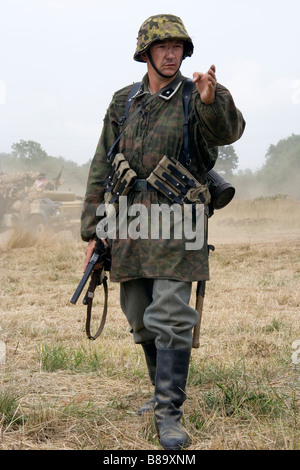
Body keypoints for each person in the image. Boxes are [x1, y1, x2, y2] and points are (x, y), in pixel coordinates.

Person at [81, 14, 245, 450]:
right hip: (130, 221)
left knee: (170, 313)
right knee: (138, 314)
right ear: (146, 53)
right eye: (162, 47)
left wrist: (213, 101)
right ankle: (158, 394)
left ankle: (169, 411)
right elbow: (101, 165)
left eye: (178, 46)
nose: (171, 53)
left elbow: (229, 132)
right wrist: (94, 232)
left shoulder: (197, 96)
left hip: (179, 218)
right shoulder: (124, 101)